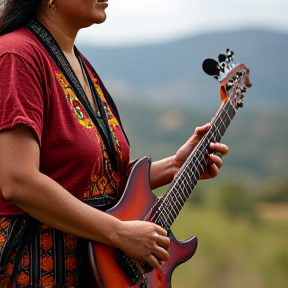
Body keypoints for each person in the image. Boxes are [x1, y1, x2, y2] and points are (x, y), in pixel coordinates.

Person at [0, 0, 228, 287]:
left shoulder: (80, 66)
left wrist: (175, 166)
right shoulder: (17, 55)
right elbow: (18, 181)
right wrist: (120, 233)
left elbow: (97, 183)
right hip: (37, 271)